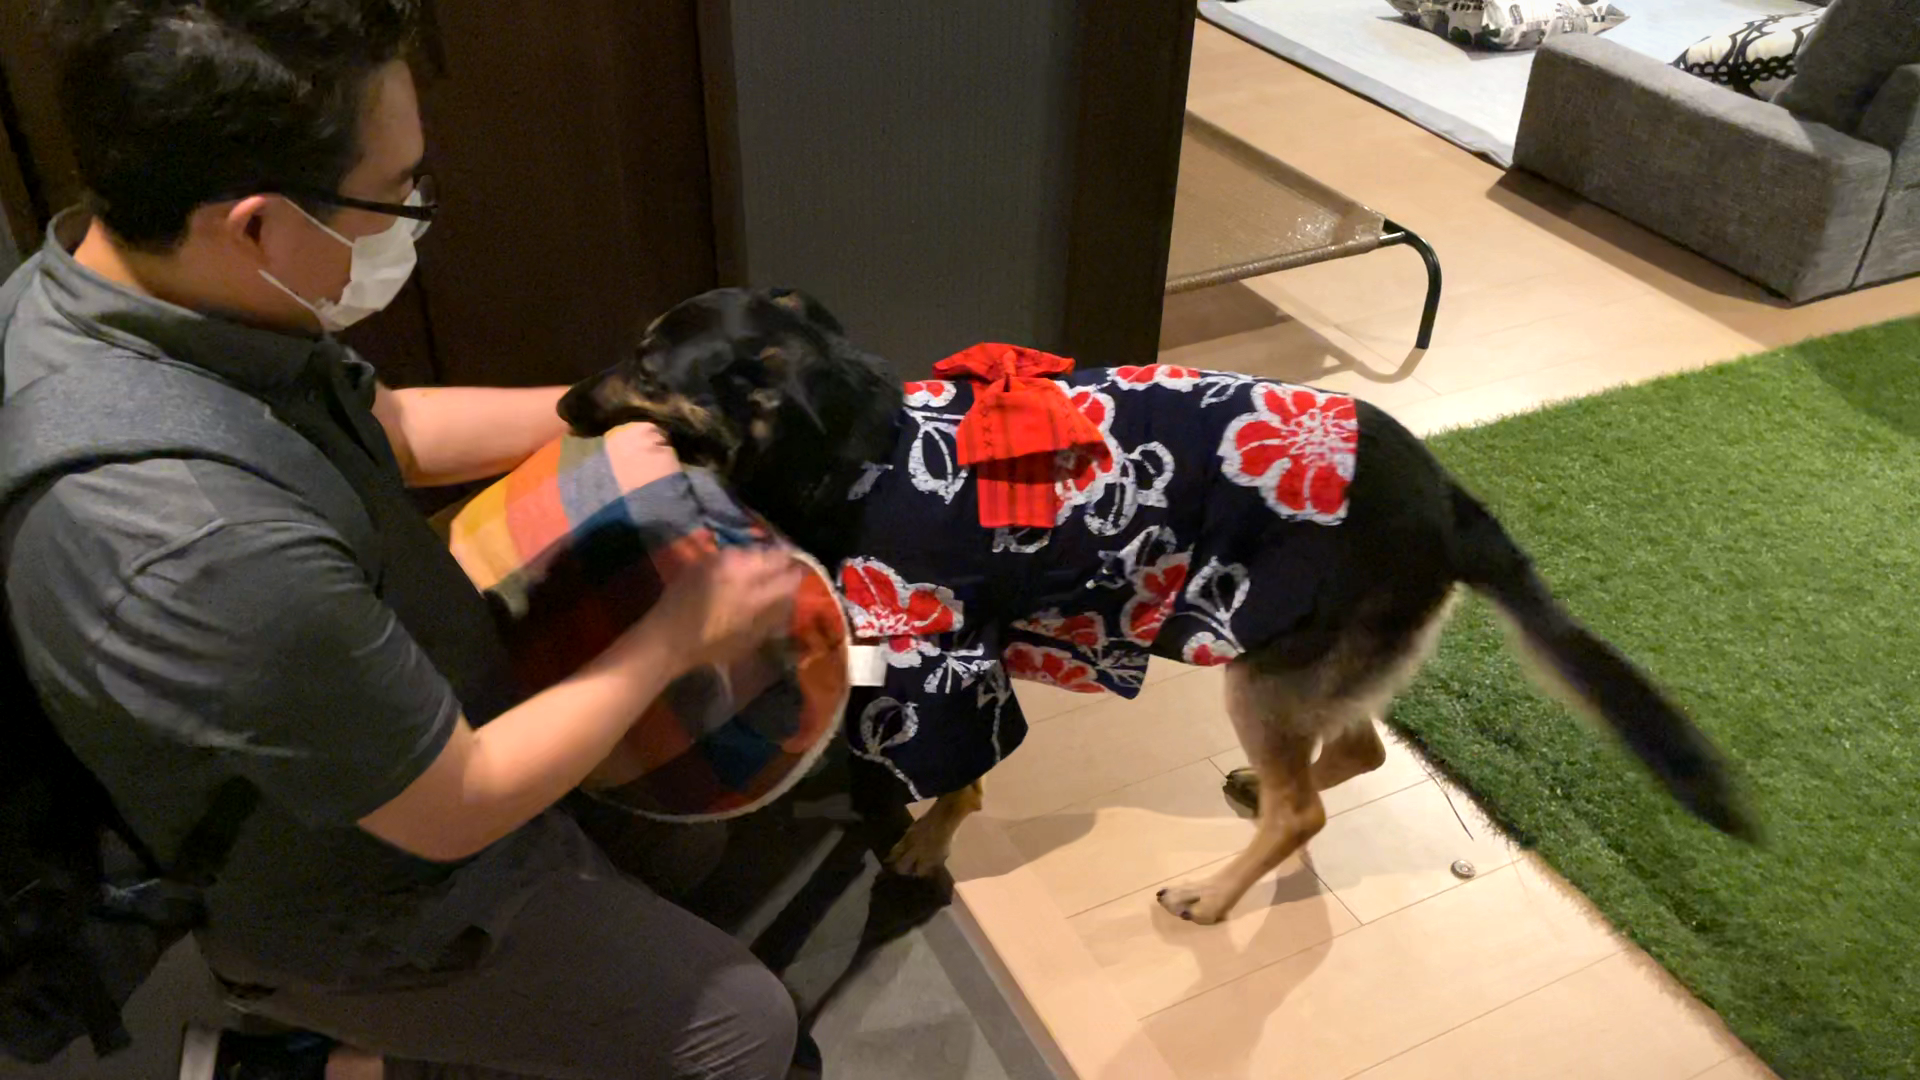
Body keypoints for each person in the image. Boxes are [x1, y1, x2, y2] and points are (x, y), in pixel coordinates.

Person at [0, 2, 809, 1078]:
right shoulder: (197, 534)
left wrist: (622, 404)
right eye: (394, 195)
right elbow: (455, 807)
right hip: (361, 885)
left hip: (385, 726)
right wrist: (680, 633)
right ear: (254, 227)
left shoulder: (109, 287)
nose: (414, 217)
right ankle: (342, 1034)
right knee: (745, 1029)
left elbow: (396, 428)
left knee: (679, 834)